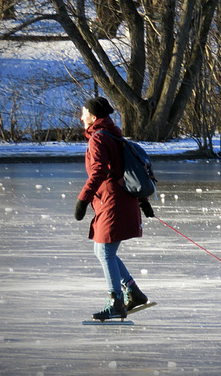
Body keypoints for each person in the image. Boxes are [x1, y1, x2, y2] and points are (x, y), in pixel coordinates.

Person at [75, 97, 154, 320]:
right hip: (116, 200)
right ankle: (133, 292)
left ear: (92, 114)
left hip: (113, 202)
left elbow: (99, 172)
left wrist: (82, 200)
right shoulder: (112, 135)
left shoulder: (99, 138)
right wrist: (143, 201)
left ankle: (117, 303)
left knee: (106, 252)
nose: (82, 117)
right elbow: (126, 168)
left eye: (84, 113)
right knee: (101, 251)